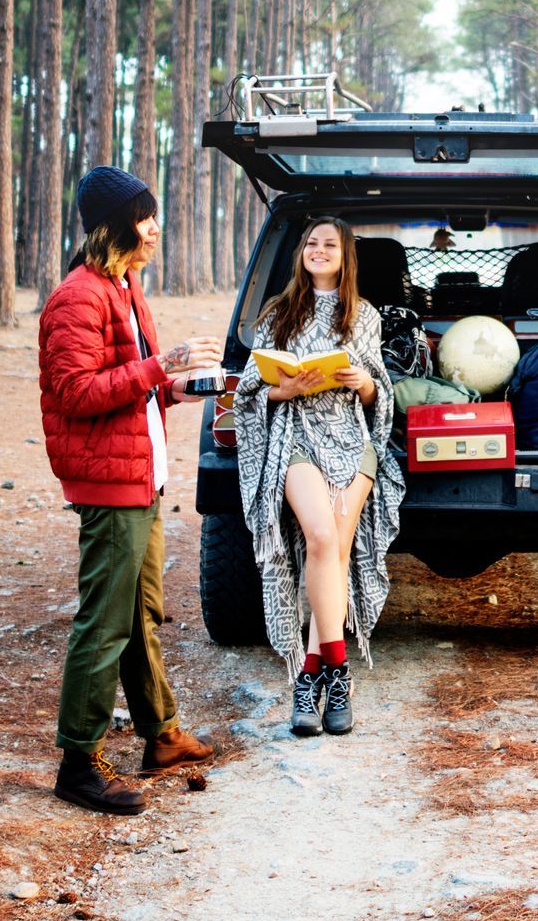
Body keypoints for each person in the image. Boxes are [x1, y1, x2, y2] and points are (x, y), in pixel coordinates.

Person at [38, 165, 222, 814]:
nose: (156, 229)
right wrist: (157, 364)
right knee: (105, 623)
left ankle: (161, 734)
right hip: (109, 484)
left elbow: (129, 383)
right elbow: (74, 392)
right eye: (145, 218)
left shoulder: (124, 287)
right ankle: (78, 763)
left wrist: (179, 386)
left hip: (141, 474)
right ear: (115, 227)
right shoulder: (78, 298)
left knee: (143, 612)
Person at [231, 216, 405, 737]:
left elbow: (381, 396)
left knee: (335, 555)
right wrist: (280, 391)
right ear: (300, 254)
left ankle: (312, 675)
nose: (319, 250)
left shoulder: (365, 316)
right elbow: (247, 390)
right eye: (311, 243)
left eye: (330, 244)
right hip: (296, 439)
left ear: (346, 256)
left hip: (353, 441)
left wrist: (363, 382)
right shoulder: (278, 312)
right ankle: (339, 670)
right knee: (322, 535)